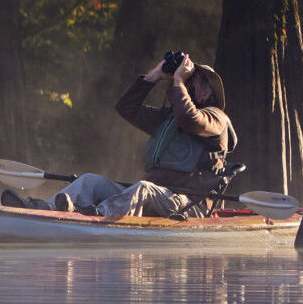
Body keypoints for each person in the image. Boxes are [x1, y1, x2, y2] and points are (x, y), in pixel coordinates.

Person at [51, 56, 237, 219]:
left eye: (192, 79)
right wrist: (154, 75)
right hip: (156, 197)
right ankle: (44, 209)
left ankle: (94, 217)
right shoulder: (167, 119)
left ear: (206, 92)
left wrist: (179, 79)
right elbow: (126, 107)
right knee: (90, 181)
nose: (184, 82)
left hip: (188, 206)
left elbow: (189, 117)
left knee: (143, 189)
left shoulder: (217, 118)